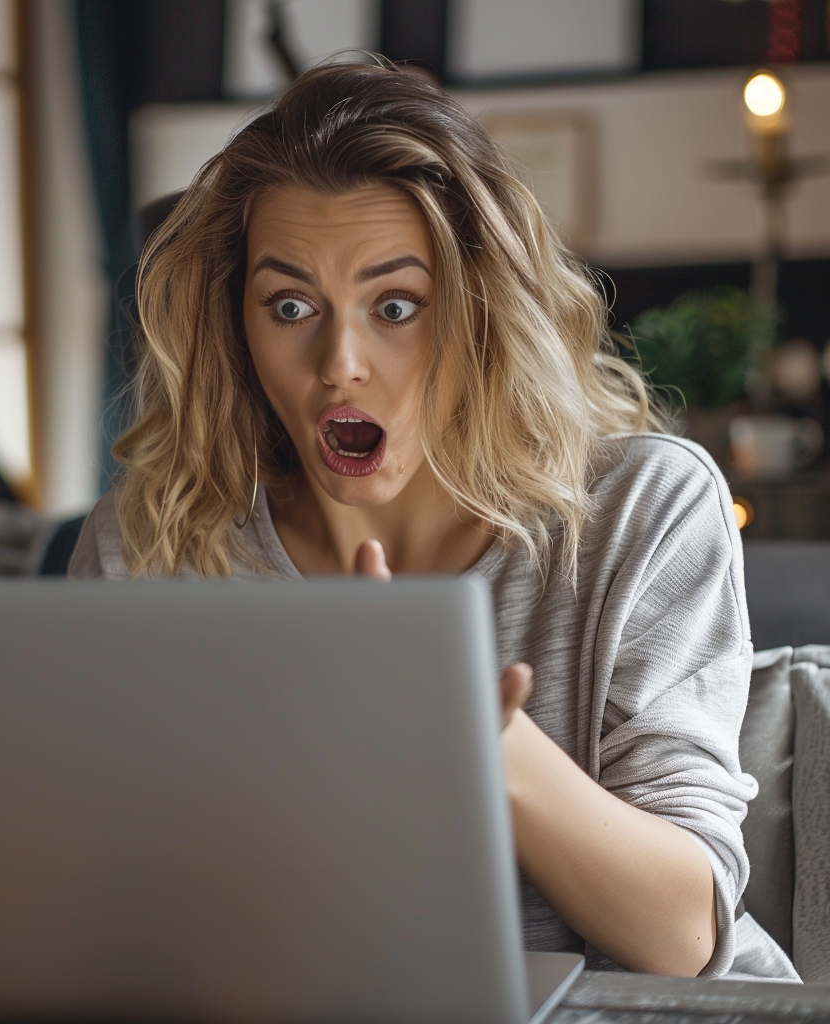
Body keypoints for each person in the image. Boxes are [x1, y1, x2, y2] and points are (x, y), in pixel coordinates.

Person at [70, 60, 797, 981]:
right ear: (234, 321)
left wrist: (485, 738)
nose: (340, 362)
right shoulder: (149, 543)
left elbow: (684, 938)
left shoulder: (642, 510)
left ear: (483, 313)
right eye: (289, 306)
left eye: (397, 306)